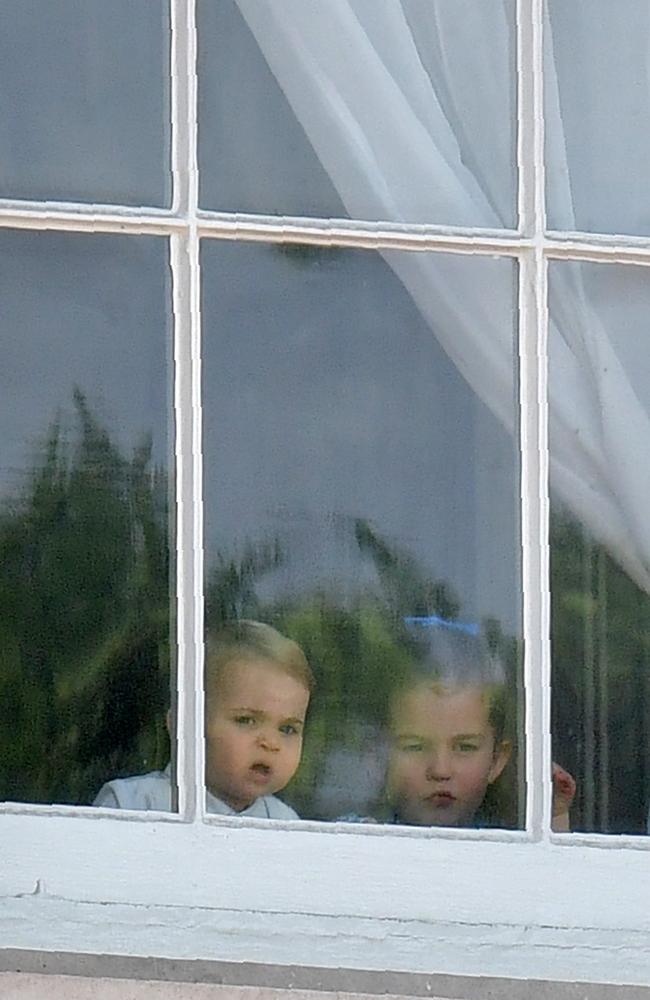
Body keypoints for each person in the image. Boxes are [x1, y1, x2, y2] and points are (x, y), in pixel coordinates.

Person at [349, 623, 574, 830]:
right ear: (375, 756)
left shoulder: (505, 845)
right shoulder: (355, 838)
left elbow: (545, 870)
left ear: (497, 761)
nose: (441, 770)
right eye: (415, 746)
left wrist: (553, 816)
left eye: (465, 747)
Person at [94, 620, 314, 819]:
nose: (271, 743)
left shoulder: (286, 823)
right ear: (184, 726)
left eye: (287, 729)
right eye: (246, 720)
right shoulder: (132, 804)